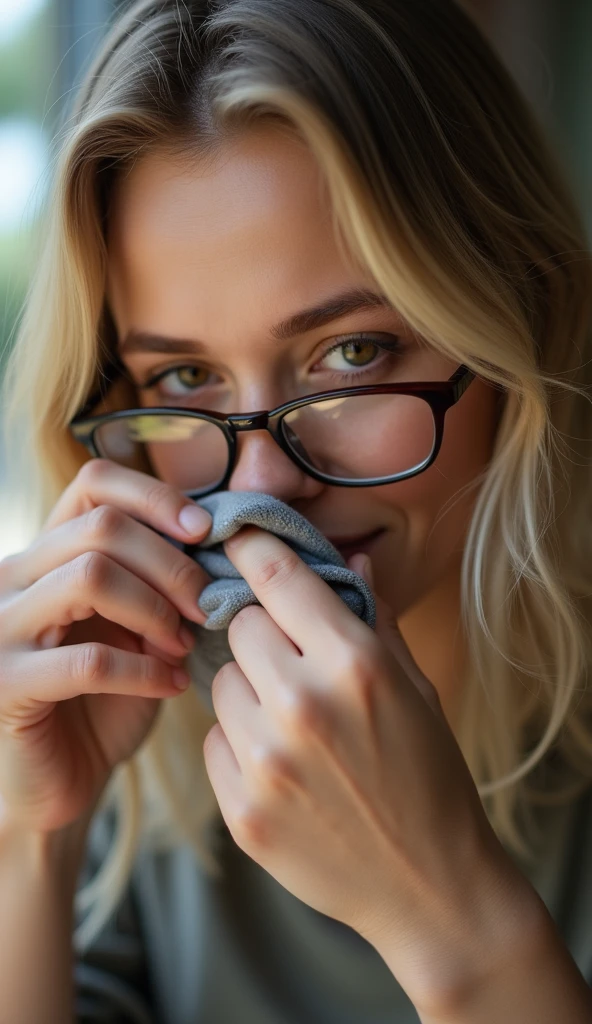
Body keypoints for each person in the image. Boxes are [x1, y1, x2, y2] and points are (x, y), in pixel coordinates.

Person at [1, 0, 592, 1020]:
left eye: (353, 354)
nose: (265, 486)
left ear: (516, 331)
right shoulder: (129, 755)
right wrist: (28, 842)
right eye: (183, 374)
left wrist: (456, 923)